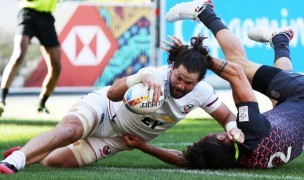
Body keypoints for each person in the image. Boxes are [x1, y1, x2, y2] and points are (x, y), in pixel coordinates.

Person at [0, 22, 244, 174]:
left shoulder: (203, 93)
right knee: (69, 131)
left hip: (121, 138)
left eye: (188, 82)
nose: (181, 85)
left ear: (199, 82)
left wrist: (233, 128)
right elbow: (111, 93)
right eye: (178, 77)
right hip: (104, 109)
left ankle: (26, 150)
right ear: (172, 68)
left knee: (56, 162)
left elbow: (226, 116)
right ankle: (16, 162)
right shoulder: (154, 75)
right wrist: (138, 78)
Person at [123, 0, 303, 169]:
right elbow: (236, 73)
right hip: (300, 92)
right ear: (223, 136)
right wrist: (193, 55)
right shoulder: (250, 128)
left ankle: (281, 40)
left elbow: (188, 160)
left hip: (293, 112)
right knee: (238, 62)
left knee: (278, 94)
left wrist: (143, 146)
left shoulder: (235, 162)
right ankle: (205, 11)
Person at [0, 0, 61, 115]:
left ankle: (41, 104)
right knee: (18, 55)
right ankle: (1, 100)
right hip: (28, 14)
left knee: (56, 66)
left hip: (47, 18)